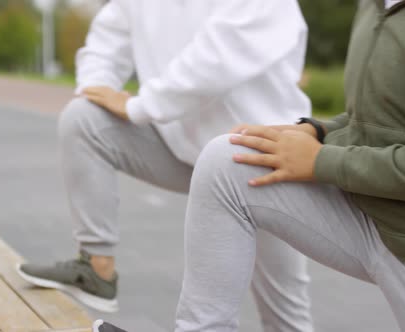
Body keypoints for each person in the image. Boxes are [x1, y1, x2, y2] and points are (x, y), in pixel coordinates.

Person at [92, 0, 405, 331]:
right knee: (230, 161)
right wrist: (316, 131)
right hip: (375, 216)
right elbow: (377, 120)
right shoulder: (379, 6)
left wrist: (320, 160)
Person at [17, 0, 316, 330]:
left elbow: (215, 61)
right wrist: (97, 86)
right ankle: (95, 266)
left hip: (262, 160)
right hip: (180, 148)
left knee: (283, 307)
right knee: (84, 118)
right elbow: (106, 40)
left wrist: (139, 106)